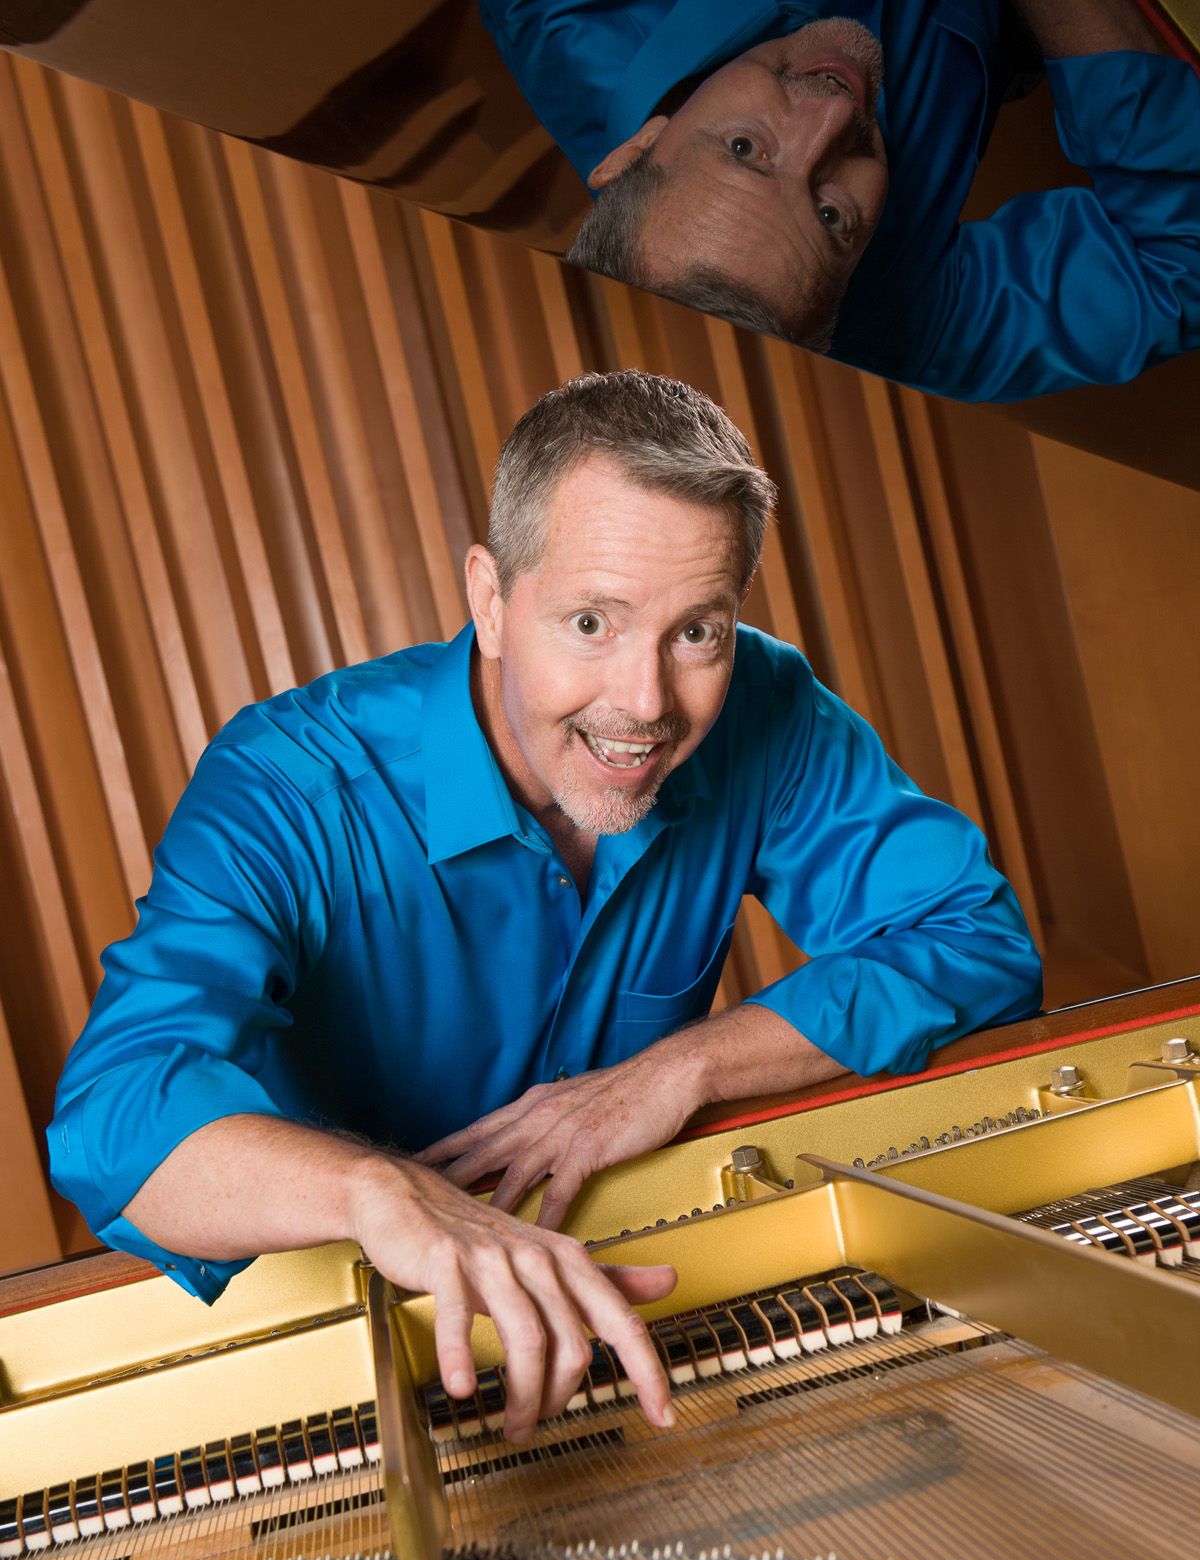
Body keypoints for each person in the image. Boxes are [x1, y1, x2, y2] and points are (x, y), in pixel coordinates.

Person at [48, 371, 1042, 1444]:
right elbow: (118, 1112)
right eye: (589, 621)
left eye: (697, 631)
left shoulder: (765, 707)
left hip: (651, 1298)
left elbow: (972, 937)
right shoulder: (291, 781)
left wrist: (686, 1066)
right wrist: (381, 1194)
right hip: (350, 1365)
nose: (646, 700)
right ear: (489, 599)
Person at [480, 0, 1200, 402]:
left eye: (744, 149)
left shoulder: (562, 17)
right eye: (831, 218)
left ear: (636, 152)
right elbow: (1178, 259)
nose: (832, 115)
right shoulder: (899, 323)